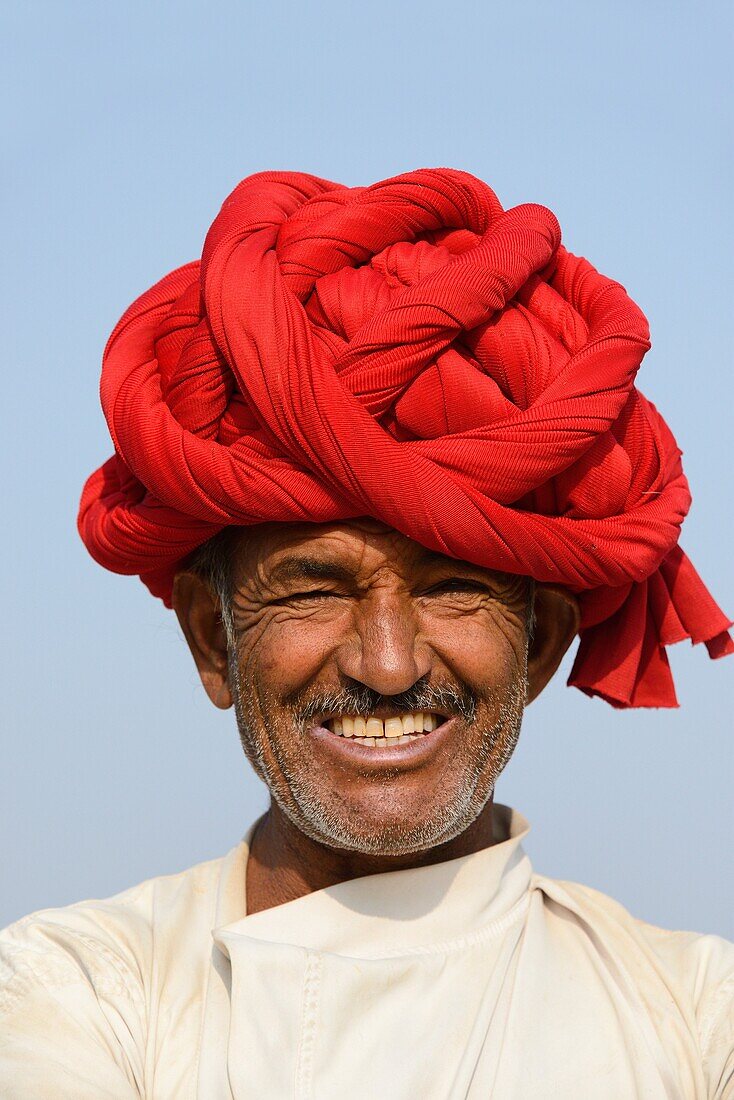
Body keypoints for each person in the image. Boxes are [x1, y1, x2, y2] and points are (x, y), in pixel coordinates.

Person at [1, 168, 732, 1098]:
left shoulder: (694, 1022)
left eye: (453, 587)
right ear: (213, 641)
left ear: (542, 641)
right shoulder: (75, 996)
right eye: (314, 590)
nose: (387, 663)